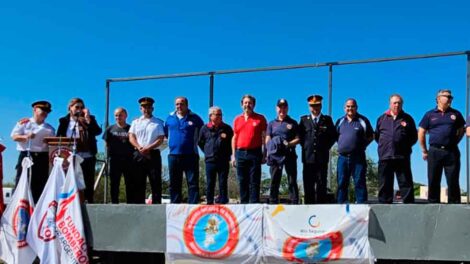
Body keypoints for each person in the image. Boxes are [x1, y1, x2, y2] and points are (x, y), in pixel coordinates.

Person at [418, 89, 465, 203]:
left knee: (453, 180)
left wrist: (454, 142)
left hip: (451, 152)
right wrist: (424, 150)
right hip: (434, 151)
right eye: (447, 96)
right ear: (438, 99)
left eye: (451, 97)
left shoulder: (456, 114)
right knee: (433, 180)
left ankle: (454, 206)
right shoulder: (429, 114)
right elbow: (421, 132)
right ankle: (433, 205)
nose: (450, 99)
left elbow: (461, 130)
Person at [57, 98, 102, 203]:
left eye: (82, 107)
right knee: (69, 181)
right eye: (77, 107)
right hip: (69, 156)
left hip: (87, 156)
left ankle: (88, 203)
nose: (79, 109)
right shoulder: (64, 121)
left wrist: (88, 119)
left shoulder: (89, 119)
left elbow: (97, 131)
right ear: (70, 108)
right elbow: (58, 137)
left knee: (87, 182)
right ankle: (68, 204)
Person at [375, 94, 417, 204]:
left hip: (402, 156)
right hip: (385, 156)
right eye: (394, 103)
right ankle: (384, 204)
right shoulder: (381, 118)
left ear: (402, 104)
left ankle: (409, 205)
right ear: (390, 104)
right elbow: (377, 137)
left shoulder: (408, 119)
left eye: (399, 103)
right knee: (385, 183)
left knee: (405, 182)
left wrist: (403, 146)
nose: (397, 105)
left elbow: (414, 137)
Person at [11, 101, 55, 203]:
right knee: (22, 183)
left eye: (47, 111)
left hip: (42, 157)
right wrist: (26, 137)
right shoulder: (24, 123)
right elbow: (14, 136)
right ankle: (18, 207)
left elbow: (53, 144)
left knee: (40, 184)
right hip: (27, 155)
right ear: (35, 109)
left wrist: (49, 142)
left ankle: (36, 208)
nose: (45, 113)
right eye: (42, 110)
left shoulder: (50, 128)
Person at [165, 96, 204, 204]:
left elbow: (203, 136)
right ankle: (175, 206)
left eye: (182, 104)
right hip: (173, 155)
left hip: (191, 155)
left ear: (187, 105)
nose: (179, 106)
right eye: (177, 104)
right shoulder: (169, 118)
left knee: (192, 182)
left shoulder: (196, 118)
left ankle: (193, 206)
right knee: (174, 183)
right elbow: (165, 135)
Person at [298, 95, 336, 204]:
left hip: (322, 159)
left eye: (317, 105)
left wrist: (325, 147)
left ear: (321, 106)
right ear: (309, 106)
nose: (315, 108)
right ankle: (309, 209)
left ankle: (321, 210)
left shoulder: (327, 120)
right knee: (308, 186)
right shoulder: (304, 120)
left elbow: (333, 136)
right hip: (308, 159)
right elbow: (300, 137)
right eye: (312, 106)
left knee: (321, 186)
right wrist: (306, 147)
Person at [335, 98, 373, 204]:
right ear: (344, 108)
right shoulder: (340, 121)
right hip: (342, 157)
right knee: (341, 183)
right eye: (348, 106)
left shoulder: (363, 121)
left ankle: (362, 206)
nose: (350, 108)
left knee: (359, 182)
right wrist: (344, 145)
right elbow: (336, 136)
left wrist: (362, 146)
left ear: (356, 107)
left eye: (352, 106)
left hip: (358, 158)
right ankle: (341, 205)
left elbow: (371, 136)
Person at [128, 97, 165, 204]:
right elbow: (131, 137)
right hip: (138, 153)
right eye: (144, 107)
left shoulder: (158, 122)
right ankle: (139, 205)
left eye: (148, 107)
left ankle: (157, 205)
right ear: (140, 109)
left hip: (153, 154)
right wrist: (139, 147)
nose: (146, 109)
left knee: (155, 181)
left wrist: (148, 148)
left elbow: (160, 138)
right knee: (138, 181)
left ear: (152, 108)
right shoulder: (135, 122)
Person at [232, 94, 267, 204]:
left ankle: (254, 204)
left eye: (250, 103)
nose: (248, 105)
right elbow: (234, 137)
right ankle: (244, 204)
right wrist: (233, 155)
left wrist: (264, 153)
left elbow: (265, 136)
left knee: (254, 181)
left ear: (254, 105)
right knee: (242, 181)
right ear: (242, 104)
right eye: (245, 103)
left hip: (255, 153)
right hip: (240, 153)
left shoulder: (260, 118)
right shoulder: (237, 119)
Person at [266, 99, 300, 204]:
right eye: (280, 107)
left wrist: (288, 144)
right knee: (274, 180)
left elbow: (298, 139)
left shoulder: (293, 122)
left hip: (289, 154)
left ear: (287, 108)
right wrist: (269, 149)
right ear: (277, 108)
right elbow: (268, 137)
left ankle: (294, 202)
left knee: (291, 180)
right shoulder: (271, 123)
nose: (282, 109)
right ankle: (273, 201)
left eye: (284, 107)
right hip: (275, 155)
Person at [198, 106, 233, 204]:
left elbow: (232, 143)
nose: (219, 116)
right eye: (216, 114)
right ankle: (209, 202)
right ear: (210, 116)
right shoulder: (204, 128)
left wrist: (229, 154)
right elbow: (200, 142)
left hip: (223, 160)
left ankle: (223, 202)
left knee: (223, 183)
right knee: (210, 182)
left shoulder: (227, 128)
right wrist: (207, 151)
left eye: (220, 114)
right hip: (210, 160)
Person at [103, 107, 134, 204]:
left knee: (129, 182)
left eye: (120, 115)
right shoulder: (110, 129)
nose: (118, 117)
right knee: (114, 182)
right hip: (115, 159)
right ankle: (114, 202)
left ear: (125, 116)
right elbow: (106, 142)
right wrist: (108, 154)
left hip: (129, 159)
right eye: (116, 115)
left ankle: (130, 202)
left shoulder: (131, 128)